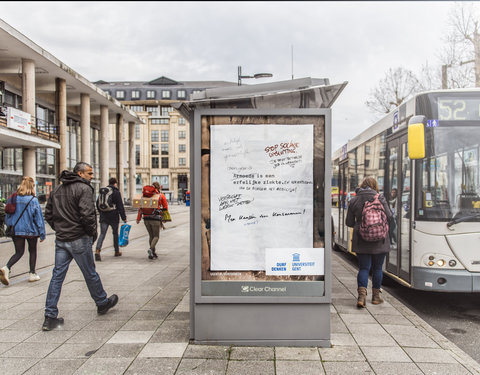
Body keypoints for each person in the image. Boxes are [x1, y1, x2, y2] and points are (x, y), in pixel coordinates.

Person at [42, 162, 118, 331]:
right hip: (78, 238)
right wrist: (92, 234)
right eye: (89, 173)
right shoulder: (84, 189)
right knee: (90, 272)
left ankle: (49, 316)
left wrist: (60, 229)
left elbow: (48, 214)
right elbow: (87, 215)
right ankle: (102, 303)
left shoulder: (57, 190)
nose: (92, 176)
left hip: (62, 239)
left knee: (57, 276)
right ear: (80, 173)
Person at [346, 176, 392, 308]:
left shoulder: (354, 200)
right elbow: (389, 216)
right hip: (380, 240)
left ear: (362, 185)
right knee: (378, 268)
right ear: (374, 186)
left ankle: (361, 297)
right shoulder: (380, 198)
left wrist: (361, 223)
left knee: (364, 268)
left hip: (362, 240)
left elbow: (348, 222)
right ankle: (376, 297)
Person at [0, 177, 46, 286]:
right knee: (32, 251)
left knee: (19, 252)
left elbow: (8, 215)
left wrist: (10, 226)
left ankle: (6, 268)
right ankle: (32, 274)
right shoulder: (33, 200)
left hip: (16, 230)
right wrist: (42, 233)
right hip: (31, 231)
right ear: (32, 186)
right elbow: (38, 219)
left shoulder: (13, 198)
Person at [95, 177, 127, 261]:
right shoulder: (116, 192)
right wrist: (124, 217)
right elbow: (120, 206)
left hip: (103, 216)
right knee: (115, 234)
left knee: (102, 234)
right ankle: (116, 251)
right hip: (113, 216)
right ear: (115, 183)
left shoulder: (103, 192)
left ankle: (97, 250)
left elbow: (97, 203)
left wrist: (101, 212)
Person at [136, 182, 168, 260]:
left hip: (146, 219)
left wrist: (138, 218)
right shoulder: (161, 196)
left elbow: (140, 208)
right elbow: (165, 207)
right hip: (155, 219)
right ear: (158, 188)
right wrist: (165, 218)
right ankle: (151, 249)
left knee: (151, 236)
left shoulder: (144, 196)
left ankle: (152, 253)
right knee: (156, 236)